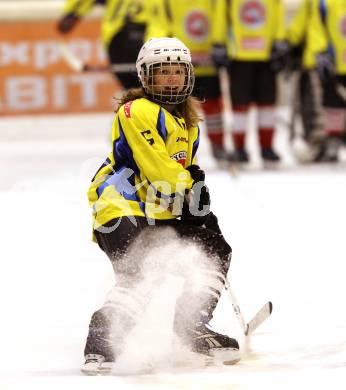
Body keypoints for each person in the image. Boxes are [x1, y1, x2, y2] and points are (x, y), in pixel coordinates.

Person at [82, 37, 239, 374]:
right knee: (139, 273)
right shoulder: (135, 110)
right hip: (120, 205)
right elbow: (156, 167)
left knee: (215, 249)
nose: (170, 78)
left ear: (189, 76)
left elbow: (178, 172)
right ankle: (101, 339)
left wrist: (198, 201)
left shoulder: (189, 124)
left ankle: (191, 327)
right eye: (161, 72)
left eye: (177, 72)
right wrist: (190, 192)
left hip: (160, 206)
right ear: (145, 77)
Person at [144, 0, 233, 164]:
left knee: (212, 105)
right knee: (173, 107)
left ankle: (218, 144)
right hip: (177, 65)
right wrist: (154, 47)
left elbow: (220, 19)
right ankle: (172, 148)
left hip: (207, 62)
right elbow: (158, 23)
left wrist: (219, 44)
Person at [212, 0, 289, 164]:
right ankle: (239, 148)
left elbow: (278, 12)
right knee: (239, 106)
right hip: (238, 55)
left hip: (267, 54)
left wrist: (280, 40)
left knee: (267, 104)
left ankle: (267, 147)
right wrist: (218, 42)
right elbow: (221, 15)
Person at [57, 0, 148, 89]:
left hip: (120, 36)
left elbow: (66, 23)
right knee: (145, 90)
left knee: (136, 89)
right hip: (144, 37)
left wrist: (72, 13)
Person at [309, 0, 346, 162]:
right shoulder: (324, 3)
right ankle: (333, 140)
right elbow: (316, 27)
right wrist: (320, 51)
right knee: (332, 103)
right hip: (334, 64)